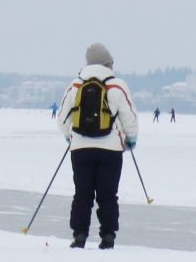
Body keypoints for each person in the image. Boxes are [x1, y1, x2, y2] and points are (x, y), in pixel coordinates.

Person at [55, 43, 139, 249]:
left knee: (82, 193)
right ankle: (108, 236)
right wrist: (130, 140)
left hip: (80, 149)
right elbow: (129, 117)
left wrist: (70, 138)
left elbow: (62, 119)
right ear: (108, 63)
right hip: (111, 150)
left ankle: (79, 235)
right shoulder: (118, 85)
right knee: (108, 194)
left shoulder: (75, 85)